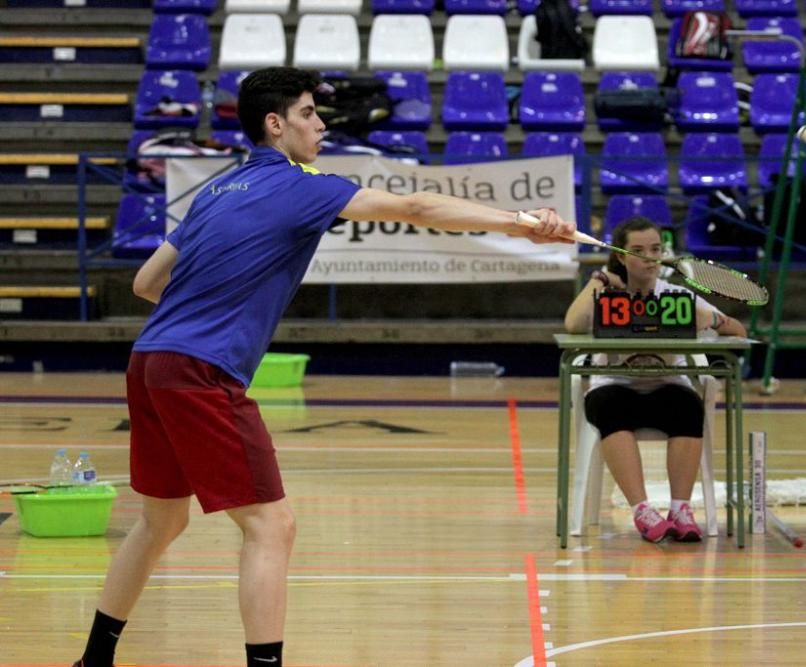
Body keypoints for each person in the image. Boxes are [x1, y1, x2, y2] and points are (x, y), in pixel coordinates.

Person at [72, 67, 575, 667]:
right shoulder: (304, 185)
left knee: (160, 522)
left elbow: (146, 282)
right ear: (275, 124)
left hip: (150, 361)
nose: (322, 124)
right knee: (270, 525)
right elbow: (415, 205)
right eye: (310, 113)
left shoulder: (213, 191)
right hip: (201, 371)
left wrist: (208, 303)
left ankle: (93, 661)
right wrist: (521, 225)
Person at [563, 216, 745, 544]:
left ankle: (680, 510)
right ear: (621, 255)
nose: (650, 257)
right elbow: (573, 324)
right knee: (609, 406)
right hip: (615, 389)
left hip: (666, 387)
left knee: (689, 405)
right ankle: (643, 510)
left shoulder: (676, 295)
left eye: (656, 249)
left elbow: (738, 331)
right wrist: (599, 279)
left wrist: (712, 318)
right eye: (638, 250)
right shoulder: (605, 294)